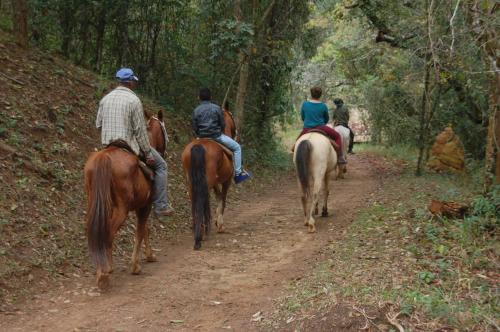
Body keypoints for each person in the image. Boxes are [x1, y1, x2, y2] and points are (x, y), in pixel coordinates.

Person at [96, 68, 174, 216]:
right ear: (130, 82)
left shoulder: (105, 99)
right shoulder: (134, 100)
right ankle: (161, 205)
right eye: (134, 82)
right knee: (162, 166)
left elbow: (98, 125)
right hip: (128, 146)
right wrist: (147, 152)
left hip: (108, 145)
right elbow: (140, 131)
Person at [192, 88, 251, 184]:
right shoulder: (217, 108)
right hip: (216, 136)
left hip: (201, 137)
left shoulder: (196, 110)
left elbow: (194, 127)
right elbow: (222, 124)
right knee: (237, 148)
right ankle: (238, 174)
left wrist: (200, 135)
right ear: (210, 97)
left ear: (199, 98)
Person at [299, 87, 346, 164]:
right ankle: (340, 156)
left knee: (297, 141)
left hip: (307, 128)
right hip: (321, 127)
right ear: (320, 95)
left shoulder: (305, 104)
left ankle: (295, 151)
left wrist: (308, 122)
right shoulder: (323, 106)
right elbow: (326, 119)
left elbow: (303, 117)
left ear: (311, 94)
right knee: (337, 136)